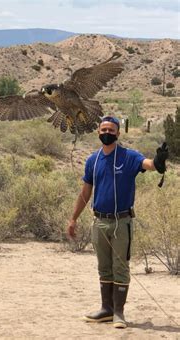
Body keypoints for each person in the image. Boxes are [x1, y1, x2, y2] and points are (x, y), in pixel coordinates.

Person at [67, 116, 168, 329]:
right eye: (104, 129)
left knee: (120, 268)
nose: (107, 133)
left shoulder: (128, 156)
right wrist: (73, 219)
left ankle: (119, 313)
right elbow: (86, 191)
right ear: (98, 132)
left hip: (122, 222)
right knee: (104, 268)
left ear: (118, 133)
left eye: (111, 130)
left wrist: (157, 163)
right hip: (99, 223)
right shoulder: (92, 161)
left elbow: (147, 164)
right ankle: (106, 309)